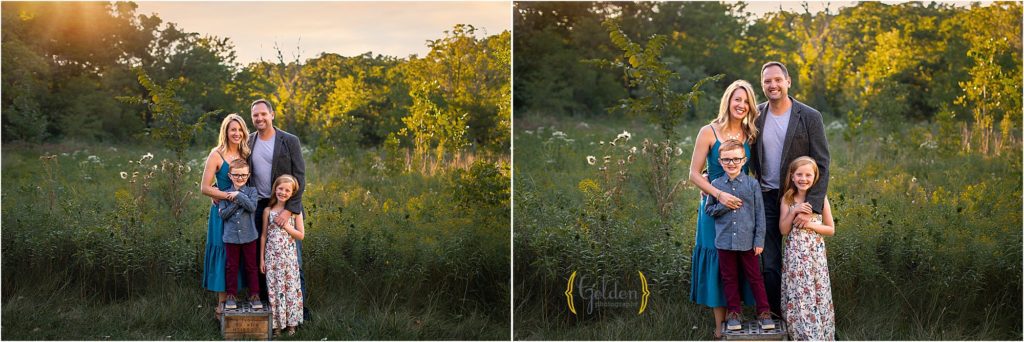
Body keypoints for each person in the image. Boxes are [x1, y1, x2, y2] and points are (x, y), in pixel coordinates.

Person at [750, 61, 830, 317]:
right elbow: (737, 148)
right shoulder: (756, 115)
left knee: (805, 265)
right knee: (769, 262)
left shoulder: (809, 116)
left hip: (799, 199)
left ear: (788, 81)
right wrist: (711, 170)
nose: (772, 85)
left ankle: (810, 316)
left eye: (777, 80)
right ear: (762, 85)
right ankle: (775, 314)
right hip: (765, 197)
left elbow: (822, 163)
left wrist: (811, 207)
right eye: (767, 81)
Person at [687, 80, 761, 339]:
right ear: (728, 101)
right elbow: (694, 174)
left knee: (741, 259)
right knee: (718, 261)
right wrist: (719, 194)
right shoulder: (709, 131)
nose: (741, 105)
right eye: (737, 99)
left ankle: (737, 315)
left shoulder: (750, 133)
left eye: (746, 101)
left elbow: (750, 172)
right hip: (714, 207)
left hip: (742, 210)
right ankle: (720, 327)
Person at [246, 99, 310, 321]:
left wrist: (289, 210)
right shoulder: (249, 140)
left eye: (264, 114)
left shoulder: (289, 140)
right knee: (263, 258)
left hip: (284, 205)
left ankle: (299, 312)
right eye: (255, 115)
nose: (260, 118)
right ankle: (271, 309)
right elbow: (239, 170)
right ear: (252, 118)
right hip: (259, 206)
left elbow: (300, 176)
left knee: (294, 259)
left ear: (272, 115)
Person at [705, 139, 775, 332]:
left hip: (748, 243)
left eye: (736, 159)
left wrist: (759, 240)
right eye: (727, 159)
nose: (731, 163)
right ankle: (734, 313)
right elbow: (709, 210)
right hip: (724, 242)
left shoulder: (752, 185)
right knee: (729, 278)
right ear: (719, 161)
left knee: (755, 277)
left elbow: (760, 215)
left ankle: (764, 312)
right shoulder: (716, 185)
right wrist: (723, 205)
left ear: (744, 160)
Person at [200, 113, 251, 320]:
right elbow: (204, 187)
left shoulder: (246, 153)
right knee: (224, 254)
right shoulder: (216, 154)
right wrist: (225, 196)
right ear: (226, 132)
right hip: (222, 214)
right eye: (233, 130)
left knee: (240, 254)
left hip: (243, 214)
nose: (237, 133)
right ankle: (221, 307)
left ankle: (238, 301)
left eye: (240, 130)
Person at [779, 156, 835, 340]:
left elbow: (830, 229)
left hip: (815, 255)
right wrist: (794, 211)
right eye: (799, 175)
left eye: (808, 175)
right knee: (801, 294)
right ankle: (803, 336)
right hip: (795, 257)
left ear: (815, 177)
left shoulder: (820, 199)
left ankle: (821, 335)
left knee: (817, 292)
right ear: (792, 176)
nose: (804, 179)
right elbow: (783, 229)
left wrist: (810, 224)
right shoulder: (787, 199)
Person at [260, 174, 305, 337]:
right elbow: (264, 236)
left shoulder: (295, 212)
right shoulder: (268, 211)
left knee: (290, 289)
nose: (283, 192)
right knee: (274, 290)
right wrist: (261, 260)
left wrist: (286, 226)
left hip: (289, 259)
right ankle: (277, 325)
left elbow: (301, 235)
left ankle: (291, 324)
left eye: (287, 190)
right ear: (275, 189)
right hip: (272, 259)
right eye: (280, 189)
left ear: (292, 193)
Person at [218, 158, 262, 310]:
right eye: (236, 175)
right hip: (230, 237)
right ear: (230, 175)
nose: (240, 178)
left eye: (243, 175)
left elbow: (251, 207)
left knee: (251, 266)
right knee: (231, 266)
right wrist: (236, 200)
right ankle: (231, 295)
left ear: (248, 175)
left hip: (250, 237)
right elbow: (223, 215)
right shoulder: (224, 194)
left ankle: (254, 294)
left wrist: (237, 195)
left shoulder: (252, 191)